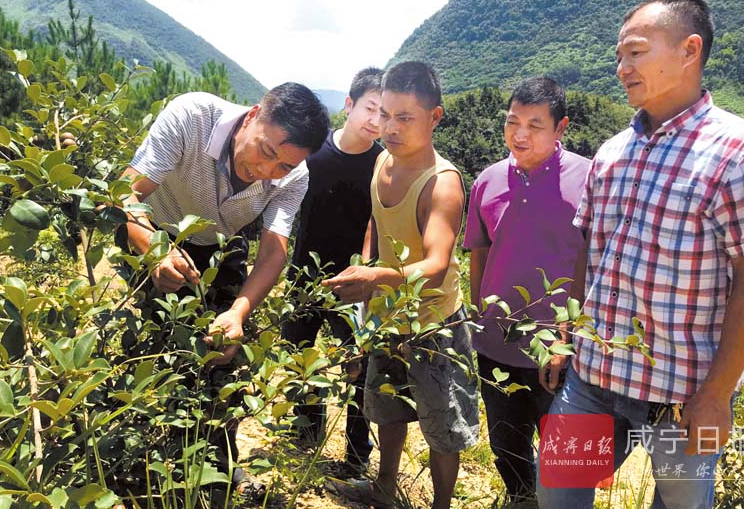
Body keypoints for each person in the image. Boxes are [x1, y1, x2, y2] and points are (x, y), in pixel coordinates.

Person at [537, 0, 744, 509]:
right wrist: (566, 335)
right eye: (619, 55)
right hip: (594, 379)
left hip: (683, 394)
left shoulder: (740, 149)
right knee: (558, 496)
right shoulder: (612, 151)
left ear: (689, 50)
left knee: (679, 502)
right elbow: (589, 252)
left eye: (636, 52)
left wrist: (717, 394)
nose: (622, 67)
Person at [116, 84, 329, 486]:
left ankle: (213, 469)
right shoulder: (192, 115)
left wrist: (239, 311)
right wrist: (156, 251)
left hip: (218, 245)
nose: (268, 172)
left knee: (223, 357)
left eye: (283, 166)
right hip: (153, 230)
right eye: (266, 152)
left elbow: (273, 252)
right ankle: (140, 457)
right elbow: (126, 195)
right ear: (252, 116)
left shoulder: (295, 175)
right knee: (159, 344)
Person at [323, 61, 480, 509]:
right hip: (388, 316)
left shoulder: (442, 183)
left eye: (404, 117)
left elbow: (436, 263)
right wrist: (367, 285)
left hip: (435, 324)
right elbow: (376, 226)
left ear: (435, 117)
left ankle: (441, 505)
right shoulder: (382, 163)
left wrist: (377, 279)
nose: (389, 127)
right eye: (386, 114)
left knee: (443, 428)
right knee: (386, 410)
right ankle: (384, 488)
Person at [463, 77, 589, 502]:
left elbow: (592, 266)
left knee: (573, 462)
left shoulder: (590, 180)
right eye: (512, 122)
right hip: (497, 343)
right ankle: (522, 500)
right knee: (506, 446)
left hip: (565, 349)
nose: (520, 134)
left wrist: (567, 338)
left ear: (561, 128)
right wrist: (479, 319)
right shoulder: (488, 180)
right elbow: (478, 255)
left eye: (535, 125)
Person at [281, 67, 384, 474]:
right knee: (299, 358)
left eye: (385, 113)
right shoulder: (314, 153)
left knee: (359, 368)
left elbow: (377, 223)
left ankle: (356, 458)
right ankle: (304, 437)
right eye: (370, 109)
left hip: (355, 284)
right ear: (349, 104)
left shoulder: (382, 163)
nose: (376, 121)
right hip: (303, 275)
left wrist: (363, 269)